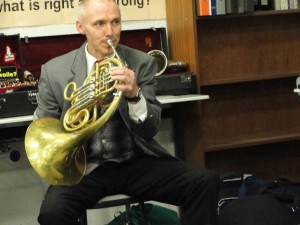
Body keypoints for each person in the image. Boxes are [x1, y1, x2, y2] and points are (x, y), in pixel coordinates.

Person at [34, 0, 219, 225]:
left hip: (135, 161)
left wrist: (134, 95)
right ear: (80, 27)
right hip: (87, 169)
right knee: (52, 214)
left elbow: (150, 128)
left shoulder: (141, 63)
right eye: (99, 24)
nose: (109, 32)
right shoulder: (54, 71)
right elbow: (46, 139)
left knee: (204, 182)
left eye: (115, 22)